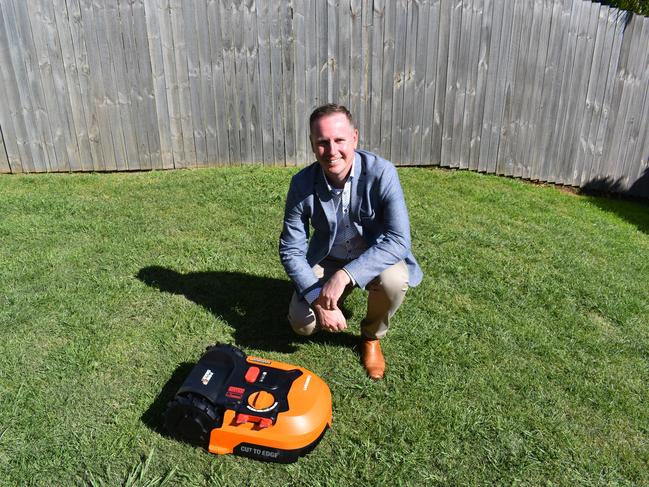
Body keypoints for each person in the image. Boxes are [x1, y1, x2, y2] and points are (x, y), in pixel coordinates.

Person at [279, 104, 423, 380]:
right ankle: (331, 302)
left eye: (339, 140)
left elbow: (398, 239)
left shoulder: (382, 173)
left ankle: (371, 337)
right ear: (312, 144)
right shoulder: (301, 183)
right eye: (322, 142)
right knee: (302, 324)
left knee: (394, 280)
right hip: (328, 258)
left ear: (354, 138)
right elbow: (291, 248)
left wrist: (347, 275)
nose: (331, 151)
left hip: (374, 256)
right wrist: (316, 300)